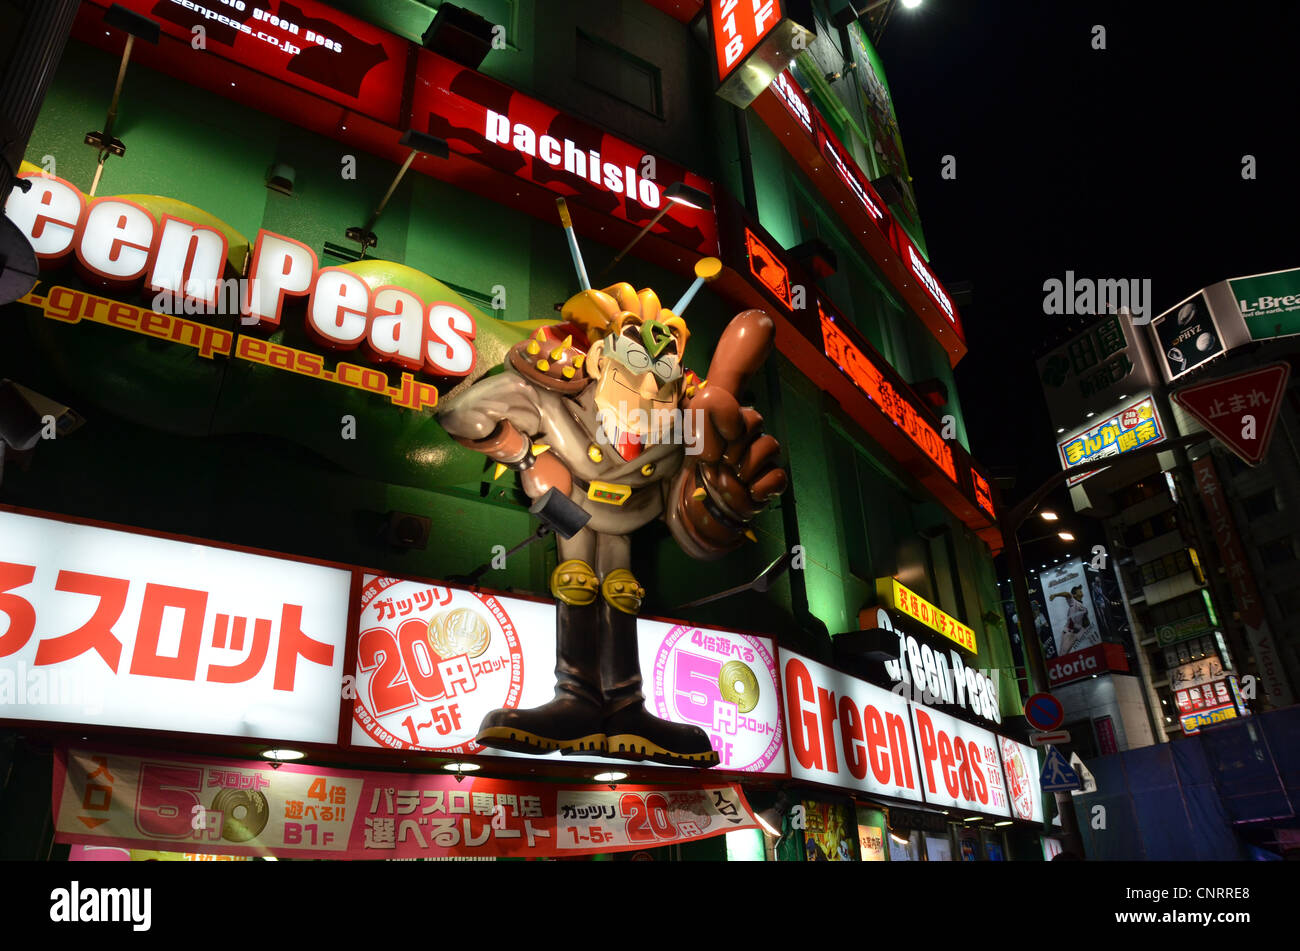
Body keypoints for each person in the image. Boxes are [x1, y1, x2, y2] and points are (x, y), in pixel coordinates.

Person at [1050, 585, 1099, 655]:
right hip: (1068, 632)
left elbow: (1085, 623)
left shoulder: (1083, 607)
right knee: (1062, 655)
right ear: (1074, 595)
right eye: (1078, 590)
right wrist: (1055, 595)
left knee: (1064, 654)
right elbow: (1067, 594)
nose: (1080, 590)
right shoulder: (1073, 601)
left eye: (1080, 589)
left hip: (1074, 633)